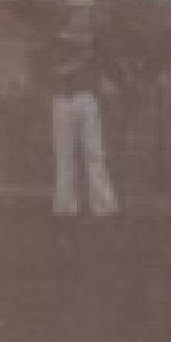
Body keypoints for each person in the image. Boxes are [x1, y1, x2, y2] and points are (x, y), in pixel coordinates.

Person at [50, 39, 119, 217]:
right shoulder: (55, 37)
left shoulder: (95, 41)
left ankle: (103, 205)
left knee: (94, 152)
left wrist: (101, 80)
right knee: (64, 155)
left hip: (86, 97)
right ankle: (66, 205)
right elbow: (52, 71)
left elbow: (103, 75)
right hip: (62, 98)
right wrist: (74, 66)